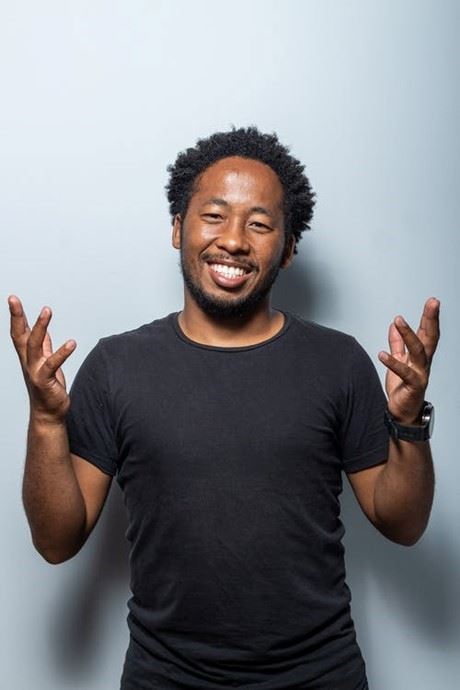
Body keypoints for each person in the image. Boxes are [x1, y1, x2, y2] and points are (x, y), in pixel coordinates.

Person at [9, 126, 440, 690]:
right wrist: (46, 421)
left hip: (319, 674)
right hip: (165, 676)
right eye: (213, 216)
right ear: (177, 228)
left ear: (288, 248)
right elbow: (55, 542)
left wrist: (407, 424)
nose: (233, 240)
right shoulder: (117, 366)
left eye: (259, 224)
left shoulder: (338, 361)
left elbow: (402, 524)